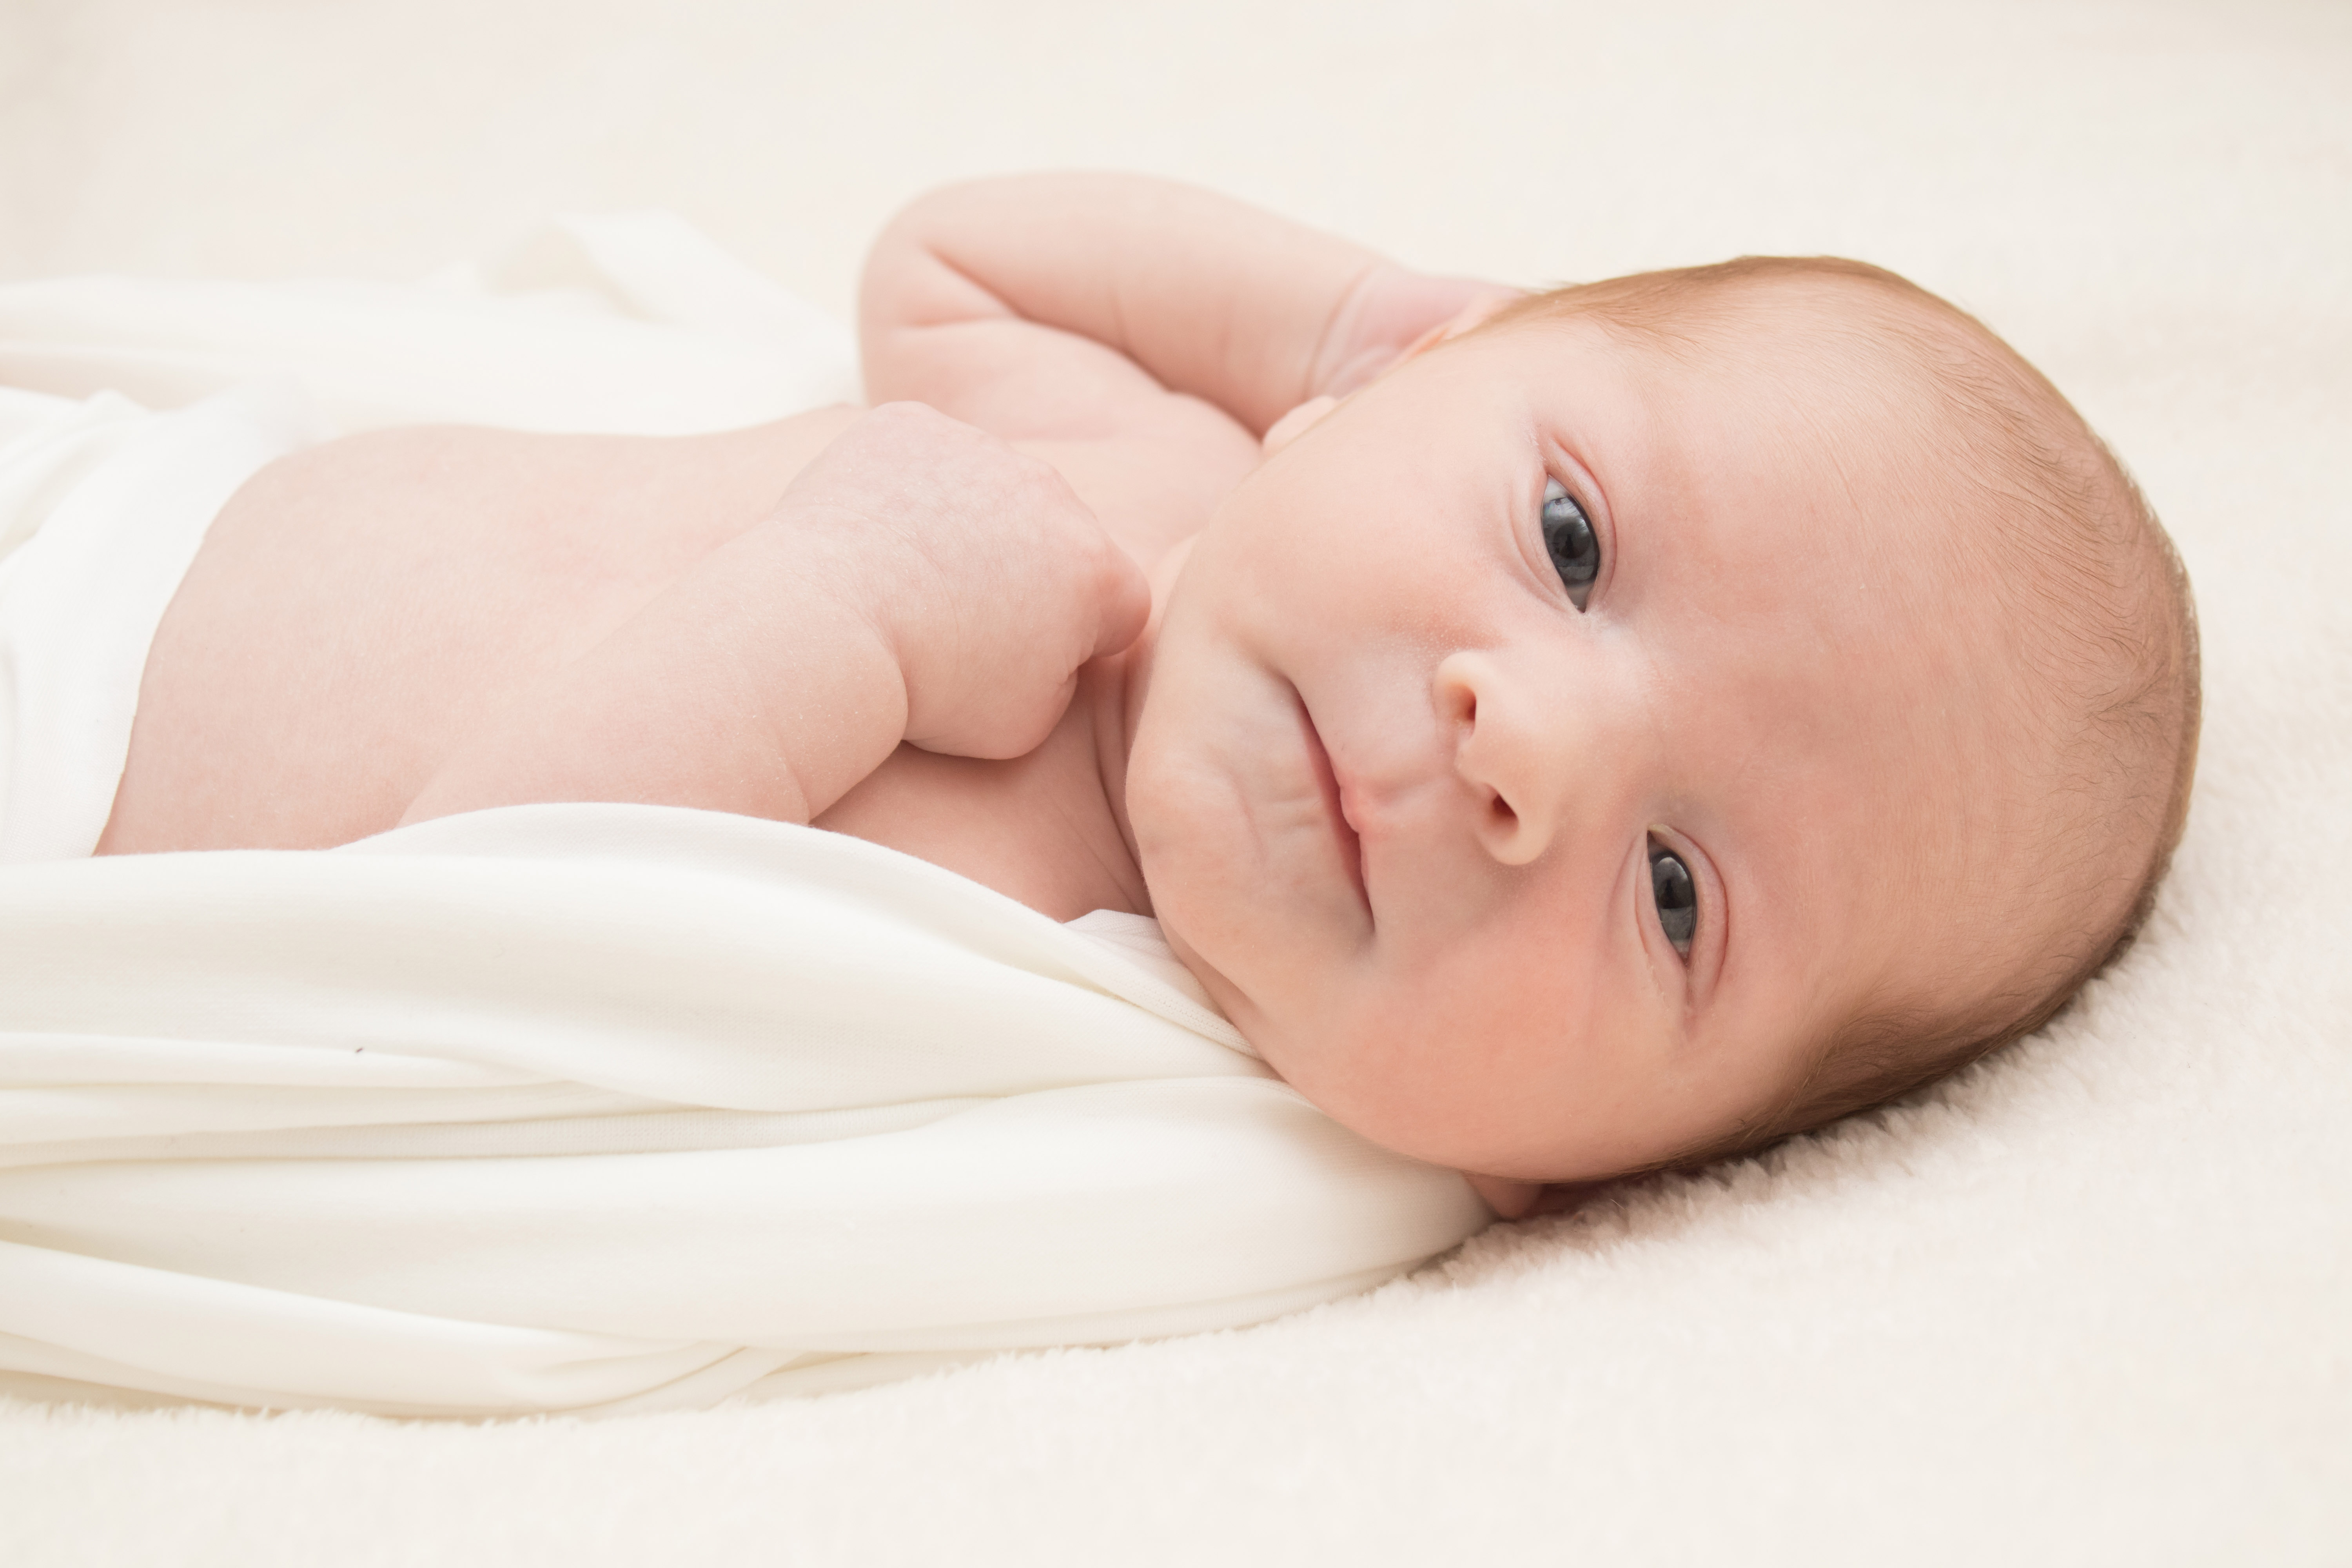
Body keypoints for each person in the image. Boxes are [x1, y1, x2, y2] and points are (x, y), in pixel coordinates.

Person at [87, 173, 2200, 1216]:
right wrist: (1347, 328)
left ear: (1622, 1165)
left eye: (1675, 897)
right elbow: (951, 265)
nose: (1527, 748)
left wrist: (841, 615)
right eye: (1566, 540)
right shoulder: (1161, 478)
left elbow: (446, 960)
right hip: (117, 507)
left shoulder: (1096, 1051)